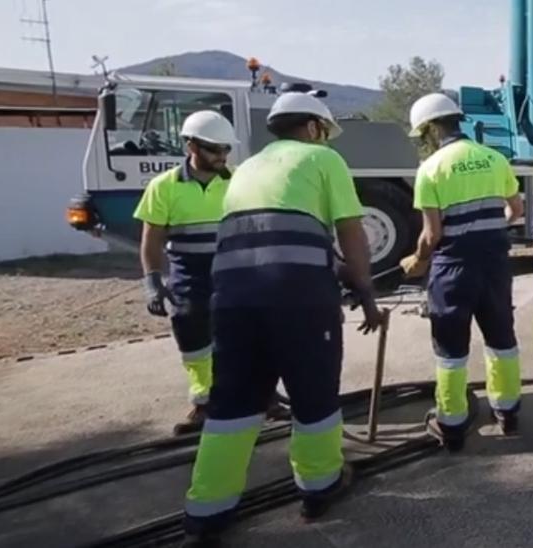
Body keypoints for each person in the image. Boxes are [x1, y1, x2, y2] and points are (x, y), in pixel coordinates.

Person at [181, 92, 383, 545]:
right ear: (314, 128)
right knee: (313, 392)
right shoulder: (322, 159)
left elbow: (280, 239)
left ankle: (207, 509)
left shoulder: (246, 169)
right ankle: (319, 484)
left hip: (232, 299)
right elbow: (350, 230)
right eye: (325, 132)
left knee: (233, 402)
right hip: (298, 301)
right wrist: (366, 292)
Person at [133, 111, 288, 435]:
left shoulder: (239, 182)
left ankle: (264, 394)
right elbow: (152, 240)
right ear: (190, 145)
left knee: (252, 331)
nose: (221, 157)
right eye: (213, 149)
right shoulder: (164, 187)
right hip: (190, 271)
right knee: (191, 328)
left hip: (236, 268)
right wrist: (153, 282)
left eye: (225, 150)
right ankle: (205, 401)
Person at [399, 93, 525, 450]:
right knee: (501, 337)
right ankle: (507, 412)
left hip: (453, 269)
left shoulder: (430, 169)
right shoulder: (494, 158)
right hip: (495, 265)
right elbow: (515, 209)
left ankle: (452, 424)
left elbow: (432, 234)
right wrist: (489, 229)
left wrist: (417, 260)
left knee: (450, 347)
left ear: (430, 128)